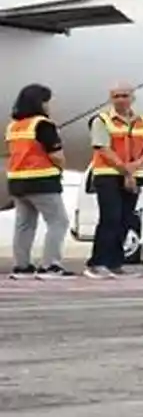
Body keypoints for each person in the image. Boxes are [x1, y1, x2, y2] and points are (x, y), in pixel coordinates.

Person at [85, 82, 143, 278]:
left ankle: (115, 263)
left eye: (125, 95)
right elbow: (103, 149)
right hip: (108, 175)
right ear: (110, 99)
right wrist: (126, 171)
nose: (121, 100)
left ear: (133, 98)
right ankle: (97, 263)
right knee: (110, 218)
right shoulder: (102, 120)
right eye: (116, 96)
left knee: (126, 219)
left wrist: (133, 168)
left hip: (134, 175)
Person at [6, 84, 73, 279]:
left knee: (24, 225)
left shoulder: (13, 126)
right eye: (47, 102)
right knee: (58, 221)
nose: (49, 106)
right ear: (40, 103)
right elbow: (56, 155)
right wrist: (61, 165)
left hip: (17, 182)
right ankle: (50, 265)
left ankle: (22, 267)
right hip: (42, 181)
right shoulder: (43, 125)